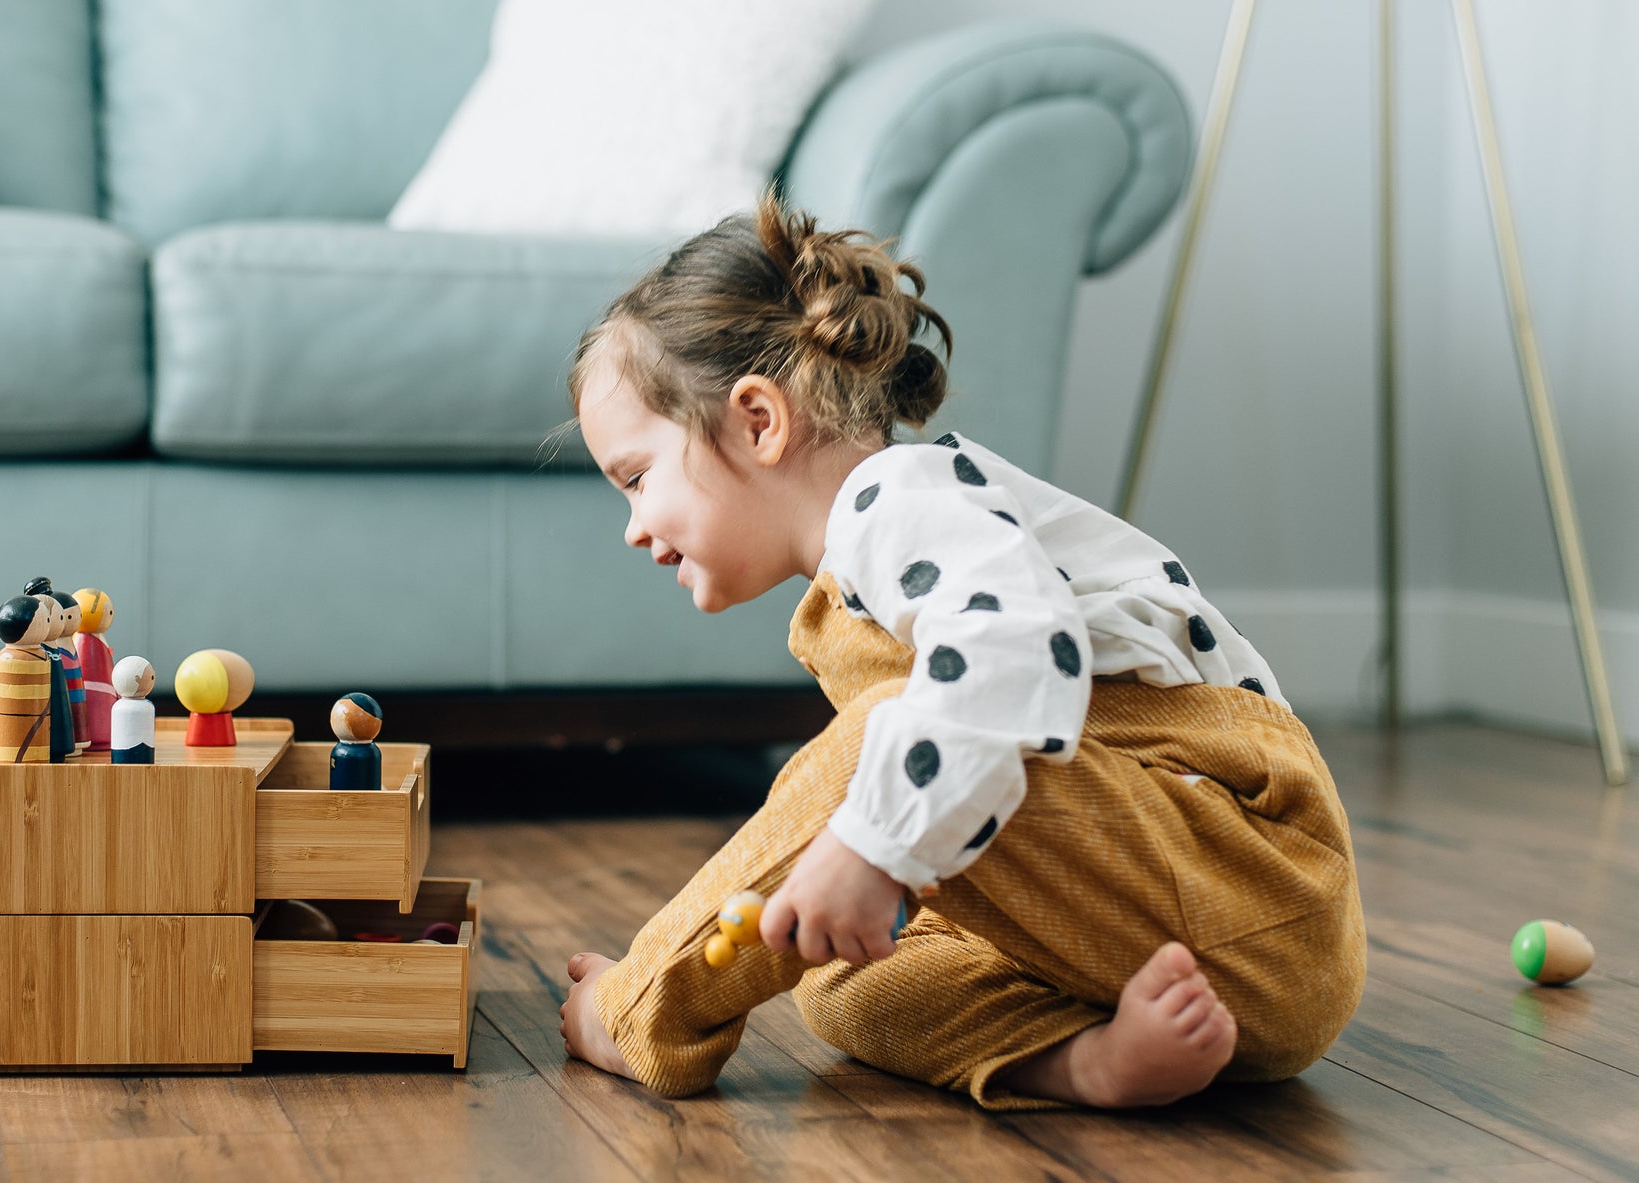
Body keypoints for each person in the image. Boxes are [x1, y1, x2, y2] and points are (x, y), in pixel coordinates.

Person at [556, 192, 1365, 1110]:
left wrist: (870, 844)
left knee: (881, 751)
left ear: (757, 420)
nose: (633, 526)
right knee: (836, 969)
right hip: (1168, 955)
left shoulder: (897, 498)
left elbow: (1017, 653)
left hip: (1252, 883)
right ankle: (1082, 1060)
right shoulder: (864, 564)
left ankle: (640, 1009)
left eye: (637, 477)